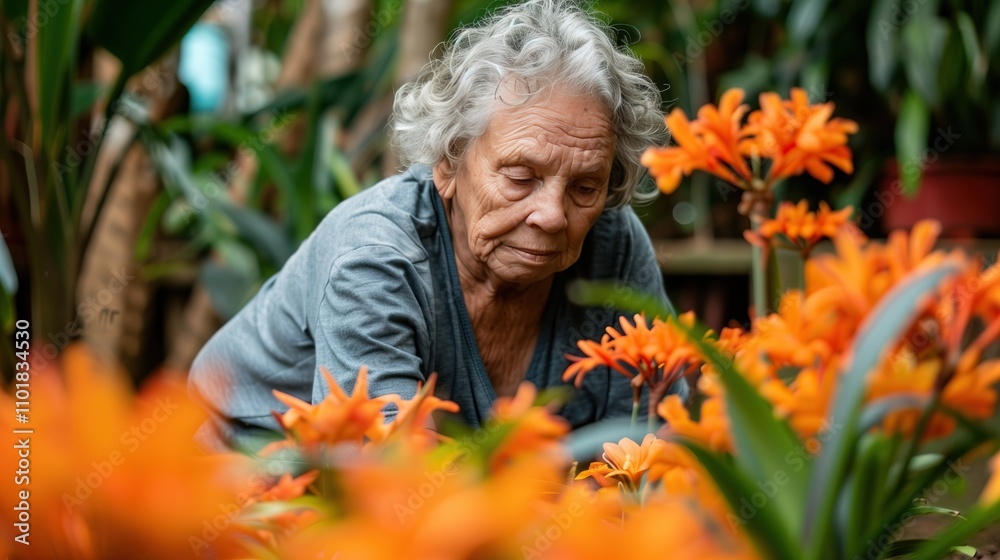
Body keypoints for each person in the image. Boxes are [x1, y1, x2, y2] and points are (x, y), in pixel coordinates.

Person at [189, 0, 685, 450]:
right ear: (449, 165)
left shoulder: (612, 247)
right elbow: (392, 479)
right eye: (520, 177)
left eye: (584, 187)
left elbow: (650, 451)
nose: (554, 215)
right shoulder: (375, 257)